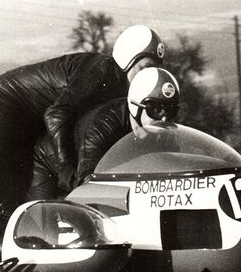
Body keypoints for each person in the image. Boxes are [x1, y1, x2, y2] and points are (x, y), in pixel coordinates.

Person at [0, 25, 166, 244]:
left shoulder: (123, 89)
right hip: (2, 101)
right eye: (144, 67)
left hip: (32, 117)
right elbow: (56, 115)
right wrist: (67, 169)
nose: (148, 74)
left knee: (22, 194)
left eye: (155, 68)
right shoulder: (102, 74)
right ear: (127, 61)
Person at [25, 67, 180, 201]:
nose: (164, 118)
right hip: (50, 164)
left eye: (171, 110)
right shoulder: (102, 127)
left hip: (85, 169)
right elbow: (88, 184)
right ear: (136, 106)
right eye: (156, 109)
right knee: (45, 224)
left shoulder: (164, 132)